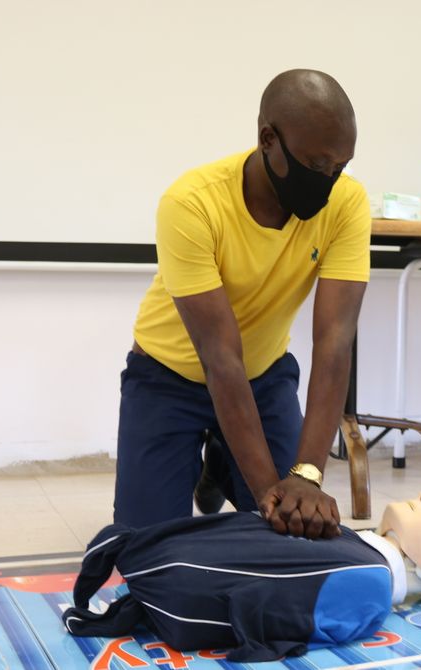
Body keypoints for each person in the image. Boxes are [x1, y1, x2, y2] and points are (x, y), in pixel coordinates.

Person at [114, 69, 370, 539]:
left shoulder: (348, 204)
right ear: (268, 138)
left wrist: (307, 477)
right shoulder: (191, 203)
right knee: (147, 549)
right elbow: (220, 358)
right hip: (166, 378)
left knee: (299, 527)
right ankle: (214, 462)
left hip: (264, 377)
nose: (328, 180)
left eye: (340, 168)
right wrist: (272, 499)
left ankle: (220, 465)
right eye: (316, 165)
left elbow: (335, 340)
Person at [63, 493, 421, 662]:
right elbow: (292, 624)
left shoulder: (361, 564)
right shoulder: (368, 585)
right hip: (179, 592)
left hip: (170, 570)